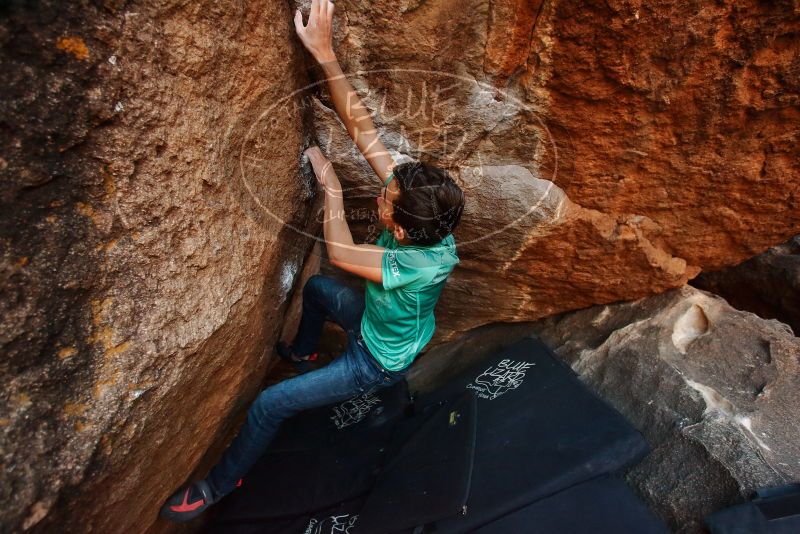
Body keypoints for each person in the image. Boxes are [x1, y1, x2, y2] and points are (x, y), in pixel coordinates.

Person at [159, 0, 465, 522]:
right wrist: (325, 53)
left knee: (270, 405)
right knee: (319, 294)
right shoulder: (419, 211)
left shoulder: (419, 265)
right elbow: (361, 128)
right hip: (374, 320)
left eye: (387, 202)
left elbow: (343, 254)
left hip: (375, 362)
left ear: (401, 229)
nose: (383, 194)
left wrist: (332, 190)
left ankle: (218, 484)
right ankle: (303, 354)